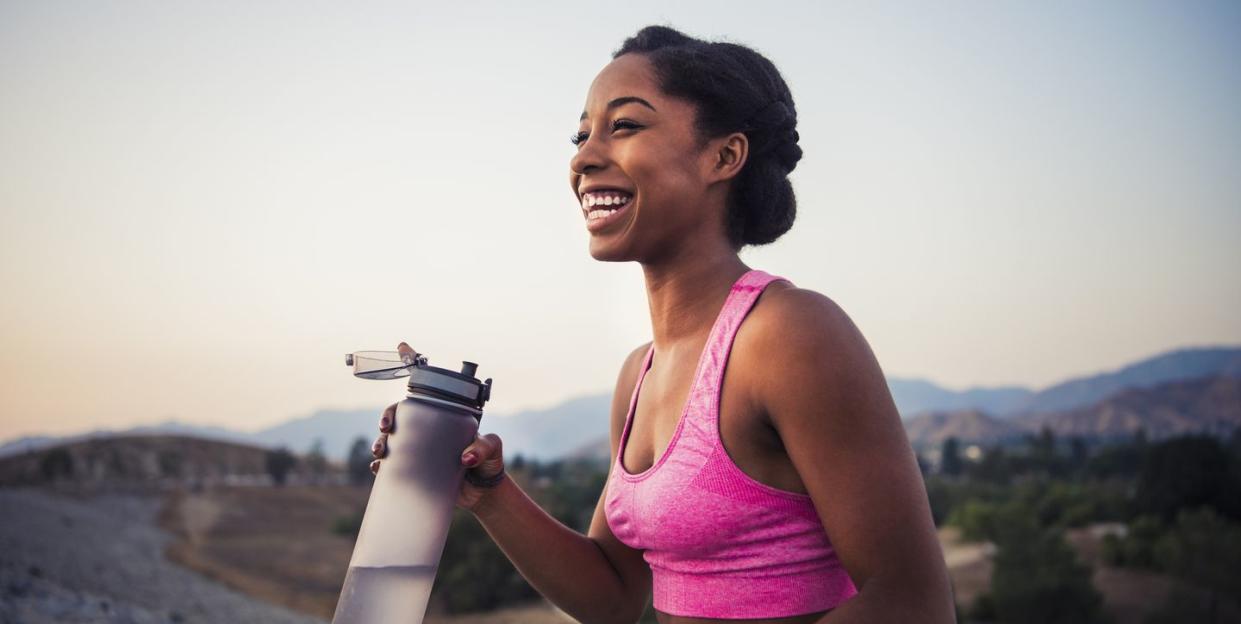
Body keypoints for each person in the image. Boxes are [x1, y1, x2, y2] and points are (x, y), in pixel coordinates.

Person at [371, 25, 955, 624]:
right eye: (581, 134)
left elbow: (912, 603)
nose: (583, 157)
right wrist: (487, 493)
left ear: (722, 156)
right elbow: (613, 597)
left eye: (623, 126)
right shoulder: (639, 374)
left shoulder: (789, 335)